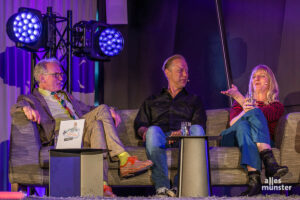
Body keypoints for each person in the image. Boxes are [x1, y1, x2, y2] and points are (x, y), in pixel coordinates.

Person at [11, 58, 153, 197]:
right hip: (61, 136)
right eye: (57, 75)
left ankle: (101, 185)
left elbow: (90, 109)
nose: (61, 78)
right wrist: (25, 109)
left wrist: (111, 110)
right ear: (42, 78)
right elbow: (17, 106)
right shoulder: (31, 98)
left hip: (79, 132)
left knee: (98, 123)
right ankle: (124, 158)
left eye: (62, 74)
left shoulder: (66, 96)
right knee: (101, 110)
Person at [134, 54, 207, 197]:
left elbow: (199, 124)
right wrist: (145, 132)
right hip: (160, 138)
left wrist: (182, 132)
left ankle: (179, 186)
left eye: (186, 71)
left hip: (185, 137)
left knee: (197, 130)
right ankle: (162, 187)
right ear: (167, 72)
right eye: (181, 70)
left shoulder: (194, 100)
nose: (185, 74)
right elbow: (140, 124)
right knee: (153, 130)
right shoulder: (152, 100)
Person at [220, 64, 288, 196]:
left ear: (270, 82)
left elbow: (259, 113)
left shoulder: (276, 106)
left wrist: (239, 98)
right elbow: (233, 123)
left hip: (258, 140)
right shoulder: (240, 103)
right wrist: (241, 102)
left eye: (262, 76)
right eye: (254, 77)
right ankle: (269, 162)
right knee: (242, 123)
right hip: (232, 137)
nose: (256, 79)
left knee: (246, 125)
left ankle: (254, 182)